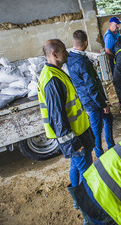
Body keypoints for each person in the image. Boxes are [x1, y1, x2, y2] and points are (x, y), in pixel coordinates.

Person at [37, 39, 94, 222]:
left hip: (78, 134)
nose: (68, 54)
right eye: (64, 51)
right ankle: (90, 215)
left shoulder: (55, 73)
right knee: (88, 177)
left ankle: (78, 201)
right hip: (74, 138)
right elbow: (58, 118)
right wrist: (73, 144)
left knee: (76, 168)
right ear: (54, 54)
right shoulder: (52, 79)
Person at [67, 30, 115, 158]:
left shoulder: (70, 58)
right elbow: (91, 87)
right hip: (93, 101)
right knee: (98, 128)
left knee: (103, 122)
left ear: (73, 42)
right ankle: (102, 152)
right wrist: (103, 104)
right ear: (86, 42)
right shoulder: (82, 62)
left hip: (85, 99)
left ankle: (108, 148)